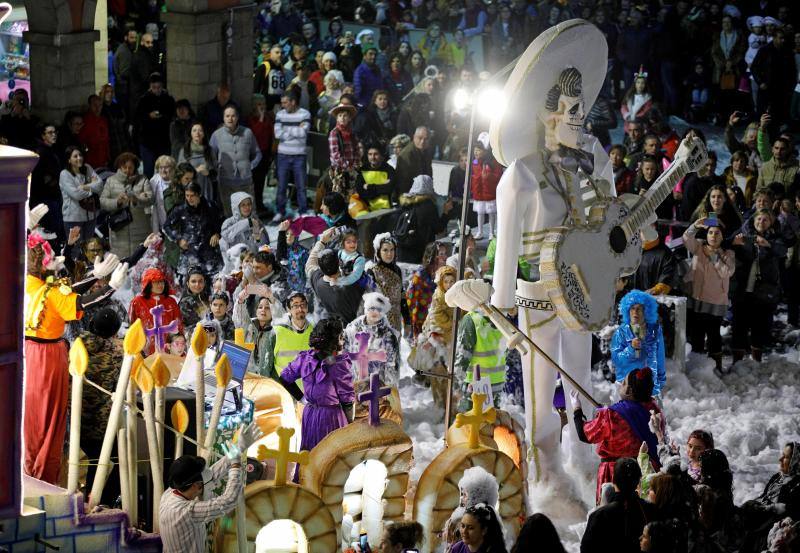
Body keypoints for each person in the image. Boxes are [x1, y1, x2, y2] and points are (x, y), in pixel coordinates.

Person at [24, 230, 125, 483]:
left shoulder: (29, 283)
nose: (59, 265)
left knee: (33, 416)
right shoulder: (51, 293)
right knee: (50, 418)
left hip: (31, 353)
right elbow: (81, 302)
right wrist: (110, 287)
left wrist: (96, 276)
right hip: (47, 357)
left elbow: (66, 290)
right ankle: (42, 474)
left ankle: (31, 469)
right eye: (53, 261)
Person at [159, 423, 261, 553]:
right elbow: (228, 501)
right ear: (196, 485)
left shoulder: (169, 493)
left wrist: (238, 449)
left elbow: (211, 475)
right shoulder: (186, 512)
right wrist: (235, 464)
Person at [572, 368, 663, 503]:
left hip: (615, 474)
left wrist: (577, 410)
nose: (621, 385)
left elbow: (584, 434)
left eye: (624, 383)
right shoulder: (654, 410)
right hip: (645, 471)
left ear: (630, 391)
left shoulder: (611, 415)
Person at [279, 318, 354, 450]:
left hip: (310, 415)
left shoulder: (305, 358)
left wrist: (302, 399)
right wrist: (350, 426)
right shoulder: (338, 364)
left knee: (310, 456)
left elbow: (285, 378)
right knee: (331, 459)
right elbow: (347, 401)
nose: (343, 340)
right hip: (331, 419)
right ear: (334, 341)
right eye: (341, 336)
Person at [79, 308, 124, 505]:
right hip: (99, 423)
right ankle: (98, 502)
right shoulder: (115, 355)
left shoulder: (75, 346)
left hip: (72, 419)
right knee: (107, 460)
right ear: (114, 332)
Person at [730, 208, 786, 363]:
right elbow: (727, 243)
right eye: (759, 219)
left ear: (770, 222)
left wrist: (767, 244)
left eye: (765, 220)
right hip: (742, 287)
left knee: (760, 325)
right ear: (753, 221)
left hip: (763, 290)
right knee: (738, 324)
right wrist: (735, 243)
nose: (761, 222)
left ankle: (757, 359)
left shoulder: (775, 237)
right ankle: (737, 360)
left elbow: (782, 250)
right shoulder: (743, 233)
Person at [682, 218, 735, 373]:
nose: (713, 236)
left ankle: (716, 367)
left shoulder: (727, 253)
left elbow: (727, 272)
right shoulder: (698, 247)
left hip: (715, 302)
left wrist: (714, 257)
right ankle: (696, 367)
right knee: (696, 335)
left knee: (713, 336)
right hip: (697, 300)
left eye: (717, 233)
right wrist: (695, 225)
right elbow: (686, 238)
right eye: (710, 232)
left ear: (722, 237)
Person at [580, 457, 658, 553]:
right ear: (638, 481)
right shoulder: (651, 510)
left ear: (613, 479)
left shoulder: (599, 516)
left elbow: (586, 549)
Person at [162, 182, 224, 279]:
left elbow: (222, 223)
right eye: (187, 195)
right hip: (190, 255)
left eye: (192, 195)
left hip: (209, 256)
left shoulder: (210, 206)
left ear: (199, 194)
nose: (189, 199)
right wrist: (178, 239)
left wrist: (217, 234)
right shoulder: (180, 209)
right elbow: (166, 226)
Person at [305, 228, 366, 324]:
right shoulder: (351, 286)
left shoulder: (318, 283)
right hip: (354, 330)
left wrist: (322, 241)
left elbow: (310, 265)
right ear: (339, 264)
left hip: (336, 330)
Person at [610, 290, 666, 395]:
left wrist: (661, 380)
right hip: (627, 387)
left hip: (649, 386)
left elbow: (660, 356)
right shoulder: (621, 332)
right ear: (627, 310)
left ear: (647, 311)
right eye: (632, 308)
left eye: (640, 309)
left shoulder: (655, 330)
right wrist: (631, 348)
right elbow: (617, 360)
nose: (635, 312)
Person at [210, 105, 262, 216]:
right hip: (225, 182)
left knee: (250, 213)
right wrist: (217, 168)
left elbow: (258, 153)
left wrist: (250, 166)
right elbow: (210, 155)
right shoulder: (216, 135)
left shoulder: (247, 133)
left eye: (233, 116)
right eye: (227, 116)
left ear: (237, 118)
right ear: (223, 118)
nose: (230, 119)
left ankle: (253, 233)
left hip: (245, 181)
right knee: (229, 213)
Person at [100, 152, 154, 258]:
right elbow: (102, 202)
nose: (128, 170)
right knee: (121, 265)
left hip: (141, 229)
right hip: (119, 233)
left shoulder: (143, 180)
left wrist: (136, 198)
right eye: (125, 167)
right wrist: (117, 202)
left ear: (135, 168)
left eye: (131, 167)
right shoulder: (111, 181)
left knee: (141, 262)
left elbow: (151, 199)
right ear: (119, 166)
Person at [454, 306, 506, 410]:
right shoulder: (502, 317)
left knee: (470, 421)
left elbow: (462, 356)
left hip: (475, 384)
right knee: (490, 419)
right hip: (497, 382)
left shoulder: (471, 320)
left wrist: (456, 384)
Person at [344, 292, 400, 386]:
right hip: (355, 381)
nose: (375, 312)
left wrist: (389, 388)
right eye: (372, 308)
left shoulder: (388, 335)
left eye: (379, 309)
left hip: (377, 384)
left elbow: (391, 365)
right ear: (366, 309)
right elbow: (344, 352)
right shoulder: (353, 328)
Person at [274, 90, 312, 221]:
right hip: (283, 155)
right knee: (282, 185)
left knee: (301, 185)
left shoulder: (305, 113)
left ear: (293, 102)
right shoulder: (279, 114)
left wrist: (287, 130)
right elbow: (277, 134)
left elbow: (304, 132)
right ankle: (280, 211)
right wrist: (296, 129)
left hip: (299, 155)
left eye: (285, 102)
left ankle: (303, 211)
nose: (283, 105)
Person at [396, 175, 452, 263]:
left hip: (403, 250)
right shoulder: (427, 205)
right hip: (419, 251)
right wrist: (445, 212)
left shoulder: (406, 202)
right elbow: (438, 228)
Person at [442, 466, 501, 550]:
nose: (461, 498)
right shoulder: (456, 518)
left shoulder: (462, 520)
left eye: (465, 495)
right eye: (461, 494)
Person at [129, 267, 183, 354]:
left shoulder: (171, 301)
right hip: (145, 351)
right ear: (148, 284)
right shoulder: (137, 302)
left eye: (162, 282)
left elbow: (178, 325)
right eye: (156, 282)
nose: (160, 285)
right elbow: (132, 326)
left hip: (169, 350)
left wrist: (178, 347)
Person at [59, 145, 104, 241]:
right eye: (75, 156)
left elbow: (100, 185)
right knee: (76, 252)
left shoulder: (87, 168)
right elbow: (76, 195)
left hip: (90, 216)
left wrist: (85, 187)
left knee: (89, 251)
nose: (79, 158)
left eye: (80, 155)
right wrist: (92, 189)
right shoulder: (65, 174)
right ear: (69, 160)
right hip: (73, 219)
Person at [134, 72, 175, 177]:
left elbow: (172, 115)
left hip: (163, 141)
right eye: (154, 87)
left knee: (165, 171)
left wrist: (163, 116)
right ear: (150, 87)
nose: (157, 90)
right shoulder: (143, 100)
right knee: (148, 171)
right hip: (148, 142)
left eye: (159, 87)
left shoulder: (168, 99)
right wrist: (148, 116)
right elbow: (137, 118)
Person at [367, 233, 409, 332]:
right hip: (379, 321)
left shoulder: (397, 270)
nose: (389, 254)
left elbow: (402, 296)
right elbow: (369, 302)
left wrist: (407, 320)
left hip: (396, 321)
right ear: (378, 251)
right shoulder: (372, 271)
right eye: (385, 250)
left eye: (392, 250)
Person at [31, 124, 64, 242]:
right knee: (51, 230)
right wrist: (53, 182)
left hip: (53, 195)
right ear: (43, 136)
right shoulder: (41, 152)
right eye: (50, 133)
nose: (54, 135)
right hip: (46, 197)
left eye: (55, 132)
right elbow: (40, 177)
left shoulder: (52, 150)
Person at [234, 250, 289, 320]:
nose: (254, 271)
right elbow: (236, 300)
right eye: (253, 267)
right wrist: (244, 282)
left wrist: (253, 283)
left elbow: (272, 299)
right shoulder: (253, 279)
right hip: (254, 324)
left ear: (269, 268)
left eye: (258, 268)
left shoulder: (282, 281)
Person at [470, 133, 502, 240]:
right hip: (479, 193)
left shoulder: (493, 162)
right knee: (480, 212)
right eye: (475, 149)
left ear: (485, 150)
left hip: (490, 192)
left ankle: (492, 232)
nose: (476, 152)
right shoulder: (474, 162)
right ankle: (480, 232)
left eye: (478, 150)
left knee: (491, 213)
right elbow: (472, 176)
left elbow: (498, 176)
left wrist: (488, 176)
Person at [178, 122, 218, 206]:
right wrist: (195, 171)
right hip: (190, 189)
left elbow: (216, 171)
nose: (197, 133)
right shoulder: (185, 150)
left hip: (206, 187)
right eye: (194, 130)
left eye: (200, 130)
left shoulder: (210, 150)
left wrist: (208, 173)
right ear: (190, 133)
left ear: (204, 133)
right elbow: (180, 173)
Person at [220, 192, 269, 260]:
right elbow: (227, 236)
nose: (247, 207)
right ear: (236, 207)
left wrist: (258, 240)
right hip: (235, 263)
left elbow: (265, 247)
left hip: (254, 262)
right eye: (243, 205)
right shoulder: (229, 222)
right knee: (222, 241)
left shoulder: (256, 221)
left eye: (249, 204)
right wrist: (248, 222)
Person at [235, 295, 275, 376]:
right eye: (260, 307)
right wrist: (240, 301)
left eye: (267, 308)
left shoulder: (275, 330)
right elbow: (240, 316)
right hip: (247, 375)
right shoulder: (249, 325)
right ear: (256, 310)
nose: (263, 310)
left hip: (267, 378)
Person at [328, 102, 361, 194]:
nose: (342, 118)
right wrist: (347, 166)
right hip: (339, 170)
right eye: (340, 116)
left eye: (345, 116)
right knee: (340, 193)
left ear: (349, 118)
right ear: (337, 118)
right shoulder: (334, 133)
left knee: (352, 193)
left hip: (352, 169)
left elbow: (357, 150)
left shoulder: (352, 134)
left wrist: (355, 164)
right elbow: (335, 154)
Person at [394, 126, 433, 197]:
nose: (422, 142)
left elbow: (429, 175)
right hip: (409, 195)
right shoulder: (407, 154)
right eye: (420, 138)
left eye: (426, 139)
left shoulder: (427, 152)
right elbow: (402, 181)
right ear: (414, 137)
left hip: (423, 193)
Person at [78, 94, 110, 170]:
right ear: (89, 105)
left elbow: (107, 141)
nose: (97, 108)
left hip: (104, 160)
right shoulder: (85, 121)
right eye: (94, 105)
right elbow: (81, 142)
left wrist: (108, 157)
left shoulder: (103, 120)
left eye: (100, 105)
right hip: (91, 162)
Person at [253, 44, 289, 110]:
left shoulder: (281, 68)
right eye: (277, 52)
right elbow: (256, 87)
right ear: (271, 54)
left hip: (279, 106)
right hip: (266, 106)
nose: (280, 55)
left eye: (282, 53)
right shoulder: (264, 66)